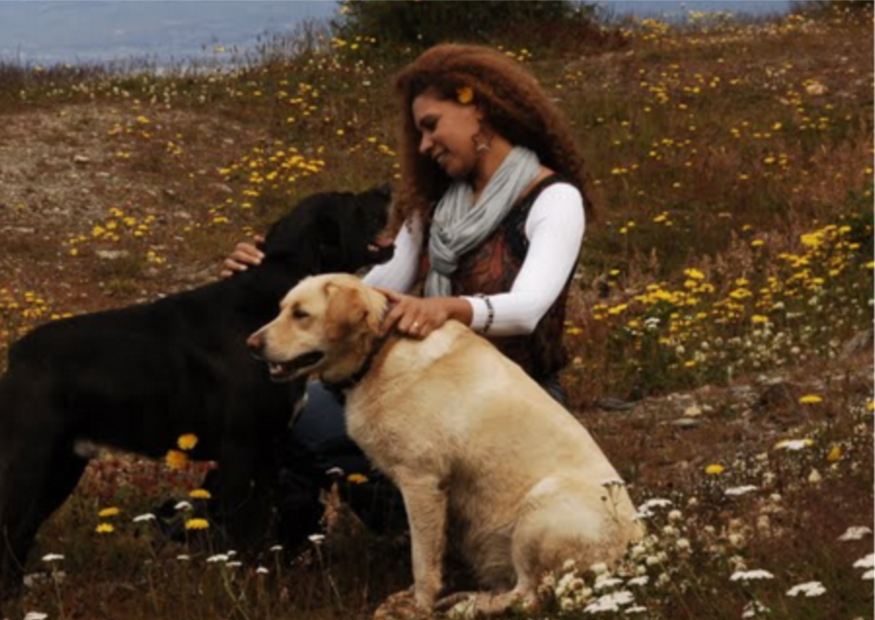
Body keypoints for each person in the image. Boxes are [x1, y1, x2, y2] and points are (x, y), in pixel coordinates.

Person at [222, 43, 598, 543]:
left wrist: (448, 307)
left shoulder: (554, 198)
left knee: (325, 426)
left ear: (478, 108)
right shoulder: (432, 207)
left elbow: (529, 308)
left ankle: (430, 526)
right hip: (425, 387)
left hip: (512, 401)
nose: (423, 146)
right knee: (283, 410)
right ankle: (289, 534)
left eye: (430, 124)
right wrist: (267, 276)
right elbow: (374, 291)